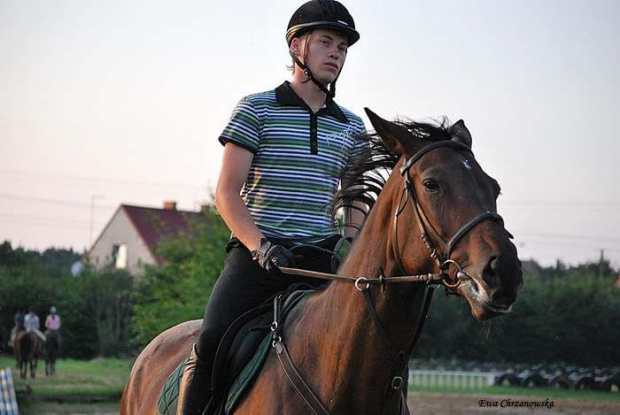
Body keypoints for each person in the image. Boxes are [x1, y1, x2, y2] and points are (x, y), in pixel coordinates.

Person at [176, 1, 367, 413]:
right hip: (257, 258)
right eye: (326, 42)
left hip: (320, 261)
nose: (337, 53)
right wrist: (260, 246)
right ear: (297, 47)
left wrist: (351, 247)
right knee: (211, 340)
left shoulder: (353, 127)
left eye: (343, 47)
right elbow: (226, 194)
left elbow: (354, 199)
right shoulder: (256, 109)